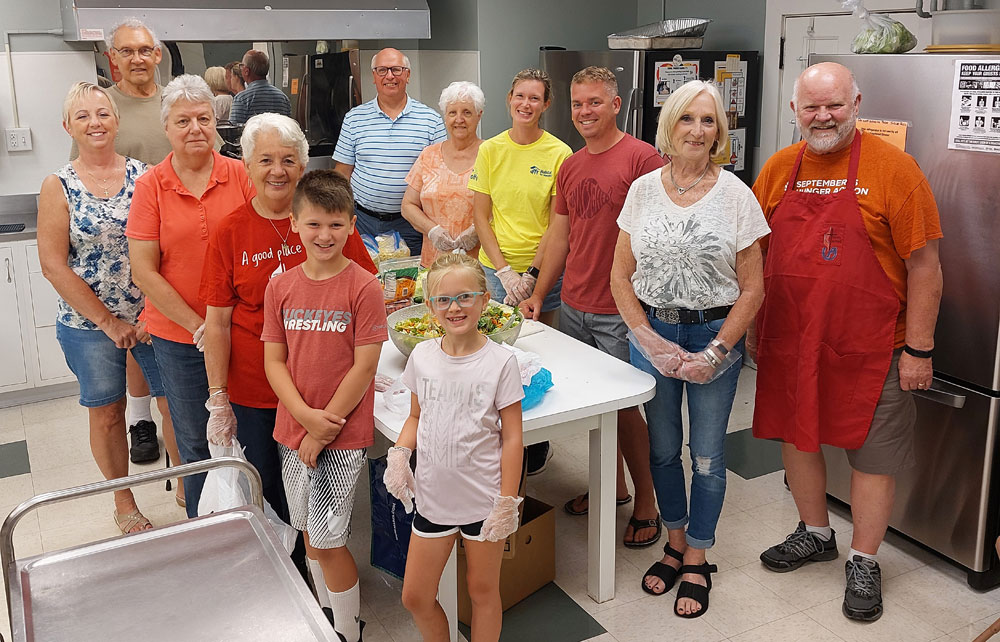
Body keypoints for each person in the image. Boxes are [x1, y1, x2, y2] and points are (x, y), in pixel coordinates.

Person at [751, 62, 943, 623]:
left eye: (834, 104)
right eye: (811, 107)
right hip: (793, 339)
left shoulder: (895, 170)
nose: (823, 116)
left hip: (875, 346)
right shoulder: (780, 168)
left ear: (857, 103)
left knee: (872, 457)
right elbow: (755, 255)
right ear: (794, 112)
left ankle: (863, 558)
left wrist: (920, 348)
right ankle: (815, 533)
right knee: (799, 439)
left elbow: (926, 266)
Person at [200, 113, 376, 614]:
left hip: (326, 395)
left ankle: (325, 599)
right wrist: (218, 398)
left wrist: (364, 367)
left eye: (289, 159)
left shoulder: (329, 215)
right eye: (266, 160)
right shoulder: (231, 230)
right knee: (278, 499)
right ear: (246, 166)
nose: (278, 170)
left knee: (317, 511)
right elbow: (216, 323)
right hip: (260, 391)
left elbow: (362, 295)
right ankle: (293, 591)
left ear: (303, 164)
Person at [610, 79, 768, 618]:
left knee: (706, 456)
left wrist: (717, 352)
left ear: (719, 131)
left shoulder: (737, 195)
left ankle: (697, 555)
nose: (698, 130)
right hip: (652, 333)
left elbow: (753, 288)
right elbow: (619, 277)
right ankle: (673, 543)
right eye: (687, 119)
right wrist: (647, 339)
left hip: (712, 337)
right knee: (660, 450)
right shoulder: (642, 190)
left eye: (708, 121)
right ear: (669, 127)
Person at [519, 66, 662, 547]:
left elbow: (659, 237)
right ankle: (611, 485)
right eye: (578, 104)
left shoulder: (644, 160)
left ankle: (647, 499)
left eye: (595, 102)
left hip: (621, 309)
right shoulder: (572, 165)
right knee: (589, 408)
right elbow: (560, 234)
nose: (584, 112)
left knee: (624, 410)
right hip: (576, 303)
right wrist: (539, 291)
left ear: (616, 105)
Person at [38, 82, 174, 534]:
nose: (94, 123)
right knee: (109, 411)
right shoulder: (57, 186)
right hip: (89, 324)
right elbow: (54, 266)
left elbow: (170, 248)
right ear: (68, 127)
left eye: (102, 113)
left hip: (154, 317)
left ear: (117, 121)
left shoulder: (147, 175)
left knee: (176, 405)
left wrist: (152, 310)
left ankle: (196, 490)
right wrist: (109, 322)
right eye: (83, 116)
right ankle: (124, 501)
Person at [262, 170, 387, 642]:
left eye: (336, 225)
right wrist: (303, 419)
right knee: (309, 537)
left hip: (341, 435)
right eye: (314, 224)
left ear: (352, 225)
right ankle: (326, 621)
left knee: (331, 539)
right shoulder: (281, 287)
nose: (325, 235)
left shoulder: (364, 287)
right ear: (295, 224)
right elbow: (275, 361)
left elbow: (363, 367)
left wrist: (322, 428)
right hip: (293, 431)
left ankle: (348, 630)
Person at [127, 74, 254, 518]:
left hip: (243, 331)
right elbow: (143, 269)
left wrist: (225, 325)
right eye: (183, 120)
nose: (195, 128)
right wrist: (198, 326)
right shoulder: (151, 187)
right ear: (167, 128)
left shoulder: (240, 175)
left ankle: (255, 525)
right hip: (180, 339)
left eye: (203, 118)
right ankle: (206, 532)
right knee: (196, 439)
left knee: (250, 431)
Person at [385, 252, 524, 642]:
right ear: (429, 307)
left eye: (465, 296)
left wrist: (507, 501)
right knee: (415, 596)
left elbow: (513, 436)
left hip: (484, 501)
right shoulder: (423, 356)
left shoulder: (500, 362)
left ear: (483, 299)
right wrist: (399, 454)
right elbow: (415, 417)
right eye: (443, 299)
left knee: (482, 591)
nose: (455, 307)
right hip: (433, 498)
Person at [73, 17, 173, 465]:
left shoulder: (173, 102)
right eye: (127, 51)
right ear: (113, 58)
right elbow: (83, 176)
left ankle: (178, 443)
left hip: (176, 242)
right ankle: (141, 421)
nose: (138, 58)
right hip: (124, 249)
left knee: (170, 359)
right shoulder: (101, 108)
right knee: (132, 345)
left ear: (157, 55)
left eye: (145, 50)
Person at [469, 68, 570, 475]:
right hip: (494, 271)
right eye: (519, 96)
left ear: (545, 105)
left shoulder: (558, 154)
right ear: (509, 99)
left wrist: (530, 275)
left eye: (535, 98)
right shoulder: (491, 150)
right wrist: (505, 271)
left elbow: (556, 224)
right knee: (490, 356)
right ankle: (493, 438)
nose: (526, 105)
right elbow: (481, 216)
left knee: (534, 356)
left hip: (541, 271)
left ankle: (535, 440)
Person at [334, 47, 446, 256]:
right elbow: (342, 173)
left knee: (409, 284)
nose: (390, 76)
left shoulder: (431, 120)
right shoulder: (354, 119)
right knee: (366, 281)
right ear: (374, 77)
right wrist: (342, 216)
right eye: (382, 70)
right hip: (362, 222)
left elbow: (441, 178)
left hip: (411, 224)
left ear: (408, 75)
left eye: (396, 69)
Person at [400, 81, 485, 267]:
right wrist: (432, 230)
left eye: (467, 112)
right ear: (445, 116)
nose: (459, 119)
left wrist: (477, 231)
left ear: (479, 115)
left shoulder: (492, 155)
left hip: (479, 266)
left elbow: (504, 208)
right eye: (452, 112)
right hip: (433, 264)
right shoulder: (428, 155)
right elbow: (408, 205)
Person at [229, 49, 291, 124]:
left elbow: (234, 130)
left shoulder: (242, 99)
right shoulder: (283, 98)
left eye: (241, 66)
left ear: (246, 71)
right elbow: (289, 127)